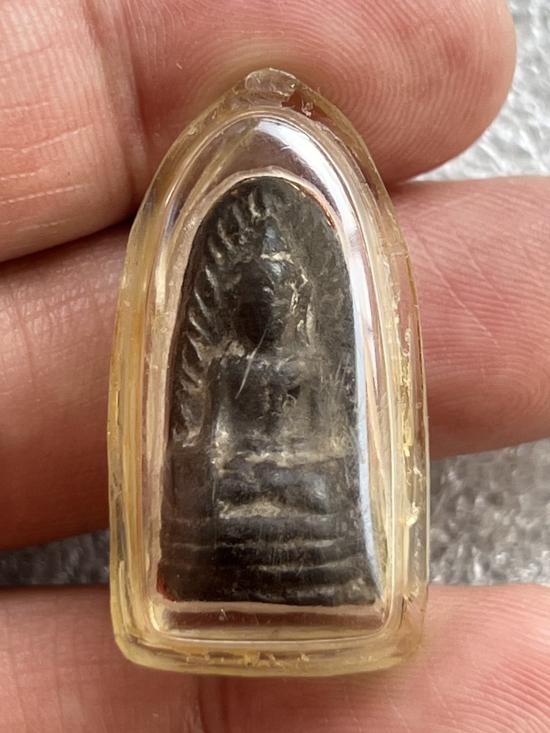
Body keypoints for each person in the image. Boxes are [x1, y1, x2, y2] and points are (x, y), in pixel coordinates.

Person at [1, 1, 548, 730]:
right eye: (253, 294)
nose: (267, 306)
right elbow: (207, 445)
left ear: (297, 299)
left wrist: (290, 473)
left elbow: (334, 455)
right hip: (237, 504)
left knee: (316, 495)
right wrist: (223, 469)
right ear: (237, 299)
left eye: (278, 293)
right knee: (214, 490)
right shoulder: (226, 366)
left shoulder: (310, 367)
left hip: (303, 505)